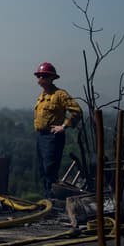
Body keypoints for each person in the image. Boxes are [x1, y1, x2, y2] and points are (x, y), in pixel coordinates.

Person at [32, 62, 82, 199]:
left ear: (51, 78)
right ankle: (47, 199)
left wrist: (64, 126)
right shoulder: (42, 96)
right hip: (41, 136)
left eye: (43, 76)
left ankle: (52, 201)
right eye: (39, 76)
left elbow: (76, 111)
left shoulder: (59, 94)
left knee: (50, 170)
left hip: (52, 137)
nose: (40, 79)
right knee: (42, 170)